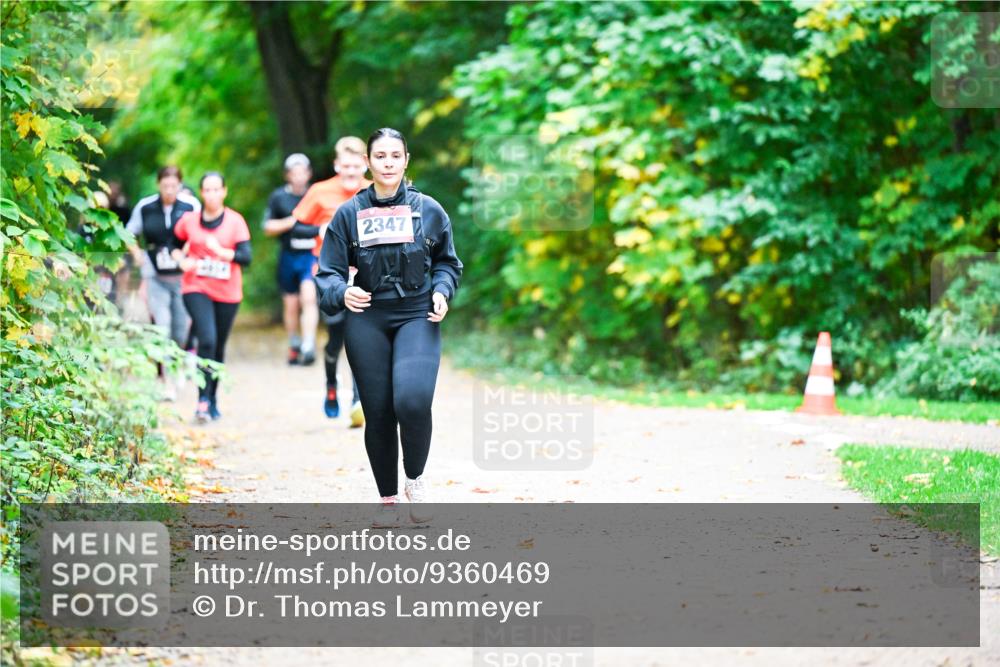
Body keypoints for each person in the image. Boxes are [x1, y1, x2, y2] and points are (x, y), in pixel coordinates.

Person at [315, 128, 462, 526]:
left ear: (406, 160)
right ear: (368, 162)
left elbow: (448, 262)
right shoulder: (349, 214)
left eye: (395, 156)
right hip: (368, 316)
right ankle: (388, 499)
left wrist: (443, 291)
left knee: (412, 401)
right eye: (380, 156)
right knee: (377, 411)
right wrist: (342, 292)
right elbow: (326, 273)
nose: (388, 163)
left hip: (418, 313)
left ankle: (415, 481)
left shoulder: (429, 210)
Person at [292, 137, 369, 423]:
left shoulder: (374, 192)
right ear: (337, 165)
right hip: (330, 274)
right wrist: (320, 230)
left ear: (366, 164)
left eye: (356, 165)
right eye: (345, 166)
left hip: (364, 275)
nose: (351, 172)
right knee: (336, 337)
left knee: (360, 337)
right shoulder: (320, 191)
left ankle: (358, 400)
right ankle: (331, 386)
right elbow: (297, 229)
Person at [171, 172, 251, 423]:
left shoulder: (235, 221)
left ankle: (212, 398)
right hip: (196, 287)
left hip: (228, 292)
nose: (213, 194)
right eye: (207, 190)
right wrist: (181, 260)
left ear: (224, 192)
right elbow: (172, 244)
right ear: (202, 193)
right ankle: (202, 401)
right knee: (207, 339)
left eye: (217, 189)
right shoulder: (188, 221)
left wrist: (222, 253)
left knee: (217, 346)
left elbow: (245, 257)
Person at [126, 166, 201, 401]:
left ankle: (178, 370)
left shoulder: (191, 207)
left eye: (174, 186)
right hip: (155, 275)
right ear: (158, 184)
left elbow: (200, 235)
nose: (169, 190)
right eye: (165, 186)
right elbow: (129, 233)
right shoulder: (145, 207)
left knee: (180, 329)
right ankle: (167, 381)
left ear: (180, 185)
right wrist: (137, 254)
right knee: (162, 327)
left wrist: (187, 254)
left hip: (182, 278)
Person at [262, 153, 314, 365]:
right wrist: (292, 221)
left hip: (311, 254)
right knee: (291, 304)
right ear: (287, 175)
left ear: (309, 173)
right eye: (294, 172)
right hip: (288, 255)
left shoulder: (315, 195)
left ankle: (308, 344)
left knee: (309, 298)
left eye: (303, 171)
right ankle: (294, 343)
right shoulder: (278, 197)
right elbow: (267, 227)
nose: (299, 176)